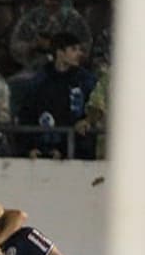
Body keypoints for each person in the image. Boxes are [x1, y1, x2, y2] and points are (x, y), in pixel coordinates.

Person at [16, 31, 98, 160]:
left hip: (78, 155)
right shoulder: (39, 81)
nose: (79, 54)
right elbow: (27, 115)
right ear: (60, 53)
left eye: (80, 49)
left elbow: (93, 111)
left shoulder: (86, 81)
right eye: (74, 49)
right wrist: (30, 148)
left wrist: (65, 150)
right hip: (42, 152)